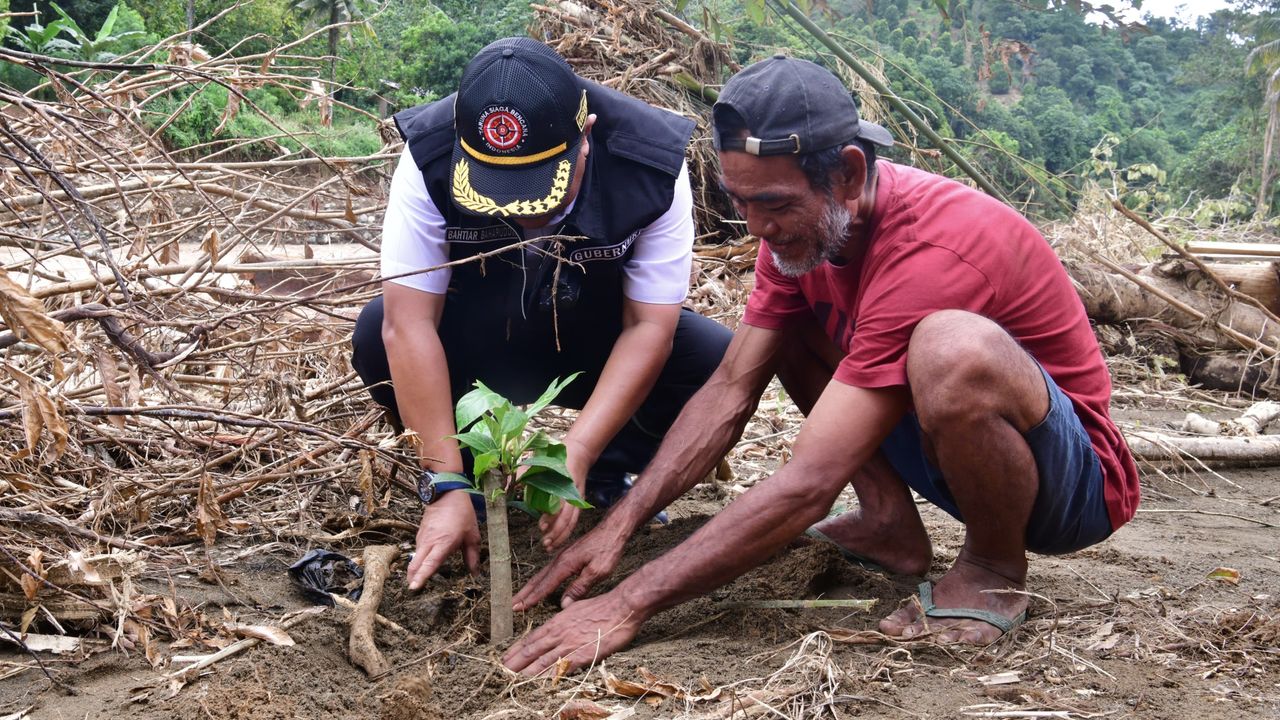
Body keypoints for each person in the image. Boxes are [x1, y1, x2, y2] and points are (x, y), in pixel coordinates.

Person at [502, 55, 1140, 675]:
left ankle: (993, 569)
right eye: (741, 202)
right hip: (952, 459)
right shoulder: (803, 239)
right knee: (783, 333)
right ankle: (889, 522)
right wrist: (619, 525)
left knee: (953, 348)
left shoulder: (933, 244)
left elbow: (809, 482)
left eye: (775, 204)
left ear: (849, 176)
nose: (757, 227)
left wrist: (628, 602)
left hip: (1069, 487)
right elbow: (729, 390)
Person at [351, 37, 732, 591]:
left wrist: (574, 450)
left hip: (593, 339)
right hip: (479, 337)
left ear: (587, 137)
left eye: (539, 190)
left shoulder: (650, 162)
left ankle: (605, 471)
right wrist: (446, 481)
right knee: (372, 333)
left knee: (711, 359)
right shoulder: (430, 152)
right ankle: (473, 481)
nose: (519, 213)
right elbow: (407, 324)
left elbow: (649, 326)